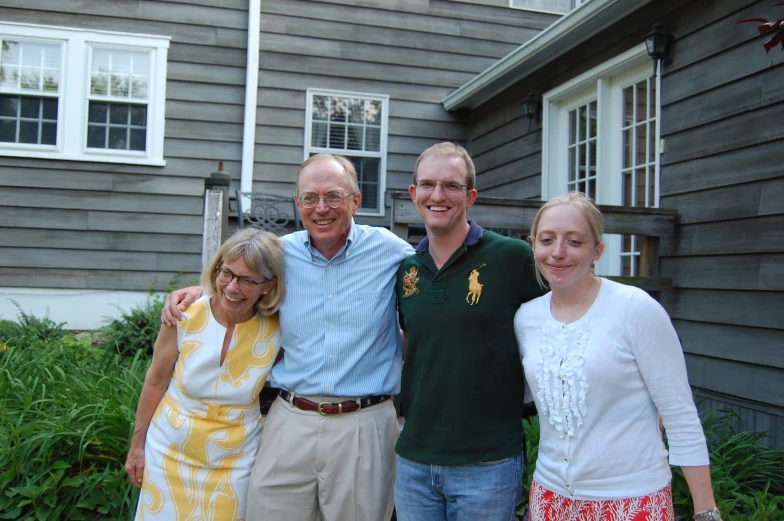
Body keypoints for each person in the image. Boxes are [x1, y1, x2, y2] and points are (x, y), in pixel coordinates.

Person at [161, 154, 414, 521]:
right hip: (290, 418)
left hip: (365, 422)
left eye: (333, 196)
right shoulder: (280, 254)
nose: (321, 208)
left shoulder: (389, 251)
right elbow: (237, 280)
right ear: (298, 203)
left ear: (355, 201)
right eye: (310, 198)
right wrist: (198, 292)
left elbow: (437, 278)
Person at [514, 192, 722, 521]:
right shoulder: (526, 318)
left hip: (631, 500)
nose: (558, 252)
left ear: (597, 250)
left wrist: (706, 512)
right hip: (550, 499)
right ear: (533, 246)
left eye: (574, 241)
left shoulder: (634, 308)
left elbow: (679, 413)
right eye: (547, 240)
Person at [394, 142, 544, 521]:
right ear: (414, 194)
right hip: (414, 459)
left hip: (487, 461)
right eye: (427, 185)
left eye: (451, 186)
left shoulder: (511, 258)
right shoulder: (407, 270)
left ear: (470, 196)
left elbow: (565, 321)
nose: (437, 196)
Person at [125, 228, 285, 520]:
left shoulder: (278, 329)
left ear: (269, 285)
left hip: (235, 462)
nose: (232, 288)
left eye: (247, 280)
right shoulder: (184, 314)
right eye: (227, 274)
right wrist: (137, 446)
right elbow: (156, 380)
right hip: (169, 452)